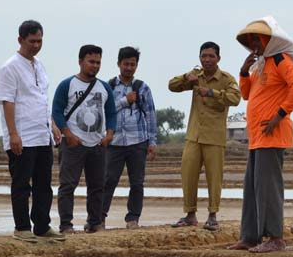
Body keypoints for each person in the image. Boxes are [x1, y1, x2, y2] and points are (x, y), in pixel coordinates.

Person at [228, 16, 293, 253]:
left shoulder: (280, 60)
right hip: (257, 137)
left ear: (268, 41)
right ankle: (250, 237)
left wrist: (279, 115)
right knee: (252, 187)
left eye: (257, 40)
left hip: (272, 134)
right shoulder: (261, 65)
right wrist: (243, 72)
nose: (254, 44)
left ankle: (275, 238)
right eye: (251, 41)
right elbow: (246, 94)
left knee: (269, 187)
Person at [0, 20, 64, 243]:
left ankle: (42, 226)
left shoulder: (40, 65)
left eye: (39, 41)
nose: (36, 45)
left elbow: (42, 100)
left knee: (44, 185)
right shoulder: (10, 67)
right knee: (22, 183)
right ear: (20, 40)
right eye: (32, 41)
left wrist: (52, 125)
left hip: (42, 135)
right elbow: (7, 101)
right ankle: (22, 227)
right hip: (22, 136)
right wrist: (13, 133)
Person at [168, 42, 241, 231]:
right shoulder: (195, 76)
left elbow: (235, 98)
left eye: (211, 56)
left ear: (218, 58)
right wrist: (186, 77)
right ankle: (190, 215)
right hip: (194, 135)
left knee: (214, 178)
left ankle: (212, 216)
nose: (207, 60)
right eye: (204, 56)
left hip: (214, 137)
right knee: (188, 174)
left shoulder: (226, 79)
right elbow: (172, 86)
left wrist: (210, 92)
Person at [52, 45, 117, 234]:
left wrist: (110, 134)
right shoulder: (67, 85)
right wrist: (68, 134)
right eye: (91, 62)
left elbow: (111, 113)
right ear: (81, 61)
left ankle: (95, 222)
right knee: (68, 185)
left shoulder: (104, 87)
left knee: (97, 186)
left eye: (98, 62)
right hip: (73, 144)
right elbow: (56, 111)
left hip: (97, 145)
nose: (95, 66)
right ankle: (66, 225)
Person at [102, 47, 158, 230]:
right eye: (126, 64)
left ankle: (133, 218)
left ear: (136, 66)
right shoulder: (108, 87)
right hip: (115, 141)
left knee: (137, 182)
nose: (129, 68)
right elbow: (104, 112)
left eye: (132, 64)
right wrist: (125, 101)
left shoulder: (143, 88)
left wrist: (152, 141)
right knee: (108, 180)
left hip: (138, 141)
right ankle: (99, 218)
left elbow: (150, 115)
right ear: (118, 64)